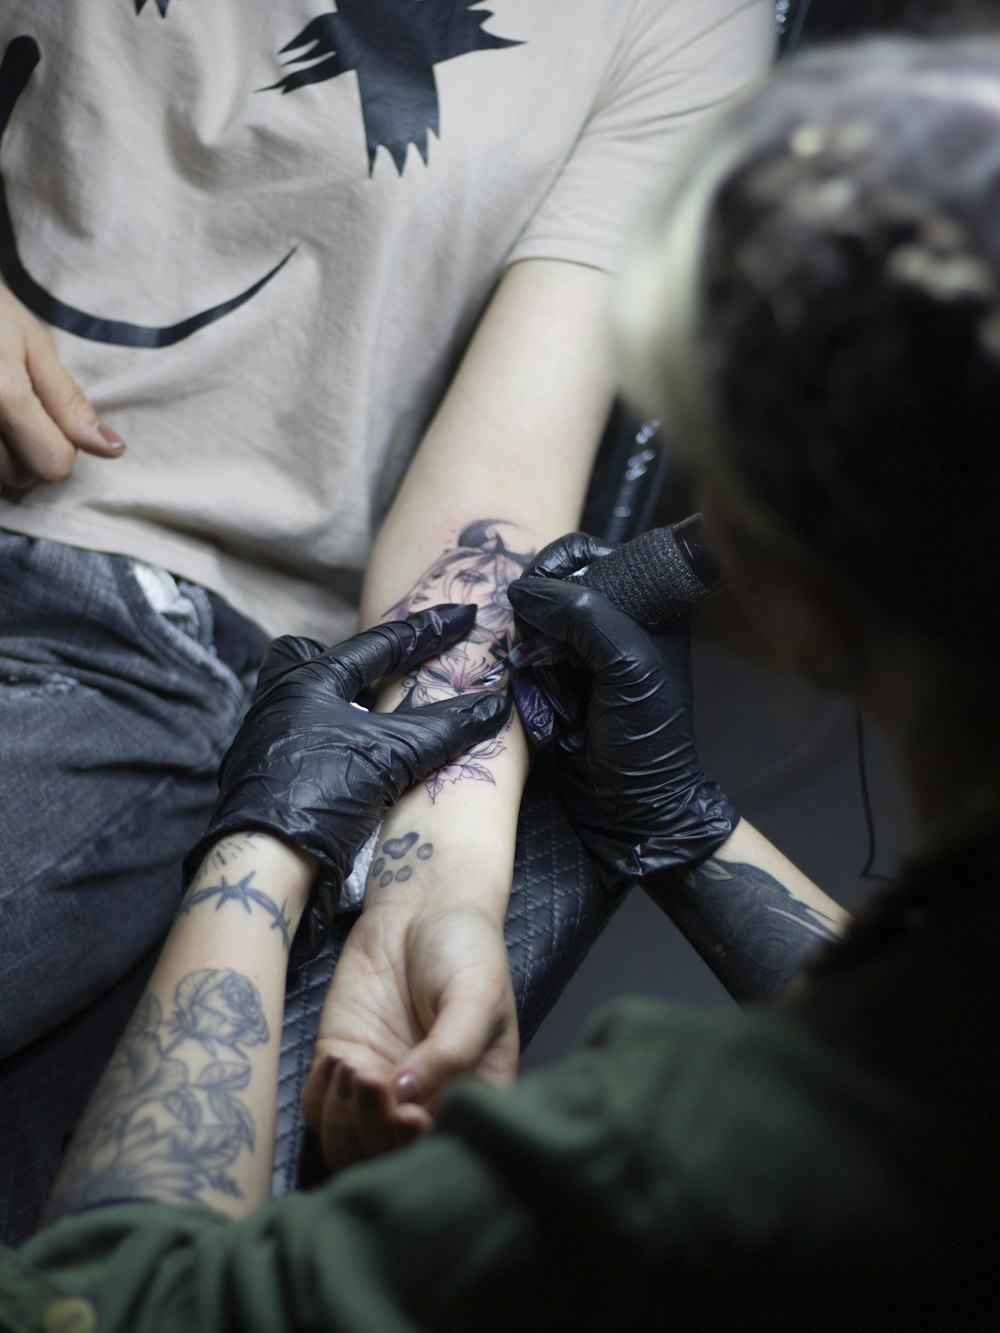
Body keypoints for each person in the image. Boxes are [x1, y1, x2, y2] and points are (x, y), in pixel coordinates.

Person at [4, 23, 999, 1327]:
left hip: (174, 641)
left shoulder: (692, 1145)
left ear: (792, 596)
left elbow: (114, 1306)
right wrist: (657, 840)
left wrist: (271, 846)